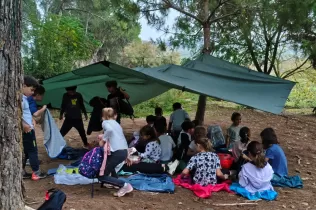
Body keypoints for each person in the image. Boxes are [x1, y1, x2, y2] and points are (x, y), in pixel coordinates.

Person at [98, 108, 133, 197]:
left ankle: (125, 186)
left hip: (117, 152)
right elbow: (122, 139)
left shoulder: (105, 123)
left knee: (101, 176)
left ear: (103, 117)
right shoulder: (117, 124)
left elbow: (109, 130)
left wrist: (103, 140)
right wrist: (127, 155)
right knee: (110, 165)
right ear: (115, 116)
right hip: (123, 151)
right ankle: (115, 182)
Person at [22, 76, 46, 180]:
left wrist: (31, 119)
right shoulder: (21, 99)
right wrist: (24, 124)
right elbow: (16, 114)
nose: (32, 93)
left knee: (26, 152)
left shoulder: (24, 98)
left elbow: (25, 113)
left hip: (29, 127)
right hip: (28, 131)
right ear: (23, 86)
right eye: (31, 90)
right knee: (33, 151)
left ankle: (22, 171)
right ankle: (36, 172)